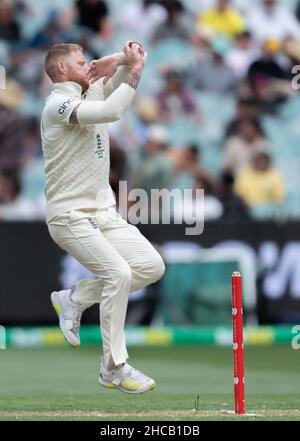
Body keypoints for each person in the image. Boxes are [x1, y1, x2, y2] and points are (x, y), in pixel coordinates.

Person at [41, 42, 165, 394]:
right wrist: (132, 70)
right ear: (62, 69)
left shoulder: (89, 88)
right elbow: (112, 110)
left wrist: (122, 59)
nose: (88, 65)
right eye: (80, 62)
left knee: (150, 266)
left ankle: (76, 298)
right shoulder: (57, 105)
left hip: (103, 212)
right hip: (70, 215)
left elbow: (132, 60)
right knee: (119, 272)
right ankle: (113, 367)